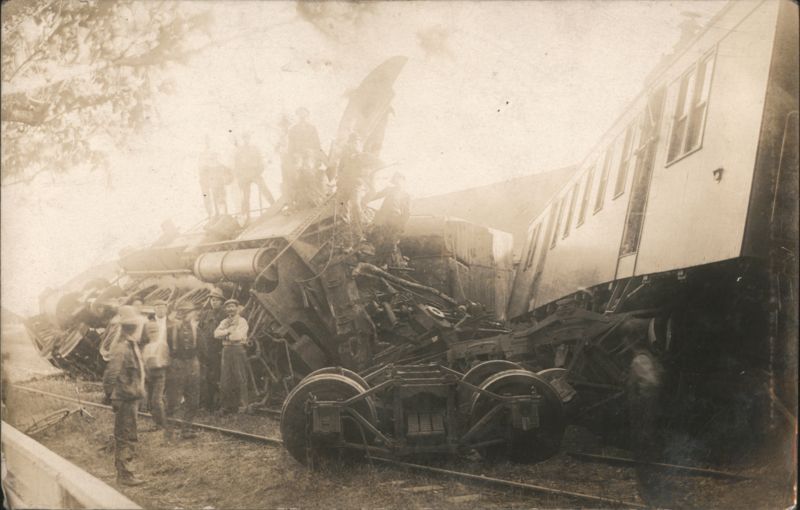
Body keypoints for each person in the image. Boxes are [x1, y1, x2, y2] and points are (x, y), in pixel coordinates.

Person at [102, 305, 146, 486]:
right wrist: (112, 396)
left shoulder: (130, 345)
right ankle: (125, 475)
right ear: (133, 328)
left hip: (131, 396)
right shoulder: (122, 348)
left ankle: (126, 472)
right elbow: (111, 374)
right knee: (125, 436)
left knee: (129, 435)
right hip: (125, 398)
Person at [165, 301, 201, 439]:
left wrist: (200, 364)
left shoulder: (196, 329)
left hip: (193, 364)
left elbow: (203, 348)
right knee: (173, 401)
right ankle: (169, 431)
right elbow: (165, 348)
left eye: (189, 312)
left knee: (193, 400)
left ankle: (186, 429)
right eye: (184, 312)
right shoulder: (170, 329)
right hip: (176, 365)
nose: (191, 315)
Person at [367, 172, 411, 265]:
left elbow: (407, 213)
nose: (397, 182)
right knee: (379, 241)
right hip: (383, 220)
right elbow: (374, 196)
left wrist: (401, 226)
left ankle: (385, 264)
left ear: (403, 181)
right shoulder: (389, 190)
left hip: (395, 221)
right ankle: (377, 263)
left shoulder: (406, 195)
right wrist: (365, 197)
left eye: (399, 180)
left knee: (390, 243)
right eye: (396, 180)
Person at [214, 299, 250, 415]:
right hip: (226, 351)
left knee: (240, 377)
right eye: (228, 307)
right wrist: (228, 331)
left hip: (238, 349)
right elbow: (216, 334)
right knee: (225, 379)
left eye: (232, 306)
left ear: (237, 308)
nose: (230, 309)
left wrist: (225, 334)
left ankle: (243, 406)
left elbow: (238, 336)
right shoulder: (224, 321)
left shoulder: (242, 321)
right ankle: (226, 406)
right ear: (225, 309)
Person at [141, 299, 170, 430]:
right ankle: (158, 420)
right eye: (157, 307)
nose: (160, 309)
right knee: (152, 397)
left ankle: (162, 421)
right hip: (151, 368)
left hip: (163, 366)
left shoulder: (171, 324)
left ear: (166, 309)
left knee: (158, 398)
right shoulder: (149, 325)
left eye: (162, 307)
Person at [234, 133, 274, 222]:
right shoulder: (239, 150)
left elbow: (260, 160)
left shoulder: (255, 149)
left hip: (255, 173)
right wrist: (240, 178)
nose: (246, 140)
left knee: (264, 188)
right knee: (246, 196)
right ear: (243, 139)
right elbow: (237, 165)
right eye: (244, 138)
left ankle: (274, 205)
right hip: (245, 175)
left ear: (249, 138)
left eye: (247, 138)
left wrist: (259, 171)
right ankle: (246, 215)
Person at [198, 288, 225, 411]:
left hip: (217, 351)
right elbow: (199, 330)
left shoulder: (224, 315)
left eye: (217, 300)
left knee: (215, 378)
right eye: (212, 300)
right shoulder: (205, 314)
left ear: (221, 302)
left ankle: (214, 404)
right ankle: (205, 403)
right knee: (204, 377)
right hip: (205, 350)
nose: (214, 302)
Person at [198, 139, 232, 219]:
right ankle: (217, 214)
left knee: (223, 199)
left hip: (221, 185)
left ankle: (225, 214)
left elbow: (229, 172)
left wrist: (227, 180)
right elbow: (203, 175)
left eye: (215, 157)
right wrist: (205, 182)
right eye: (212, 158)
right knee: (215, 199)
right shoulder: (208, 167)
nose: (213, 159)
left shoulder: (221, 165)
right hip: (214, 186)